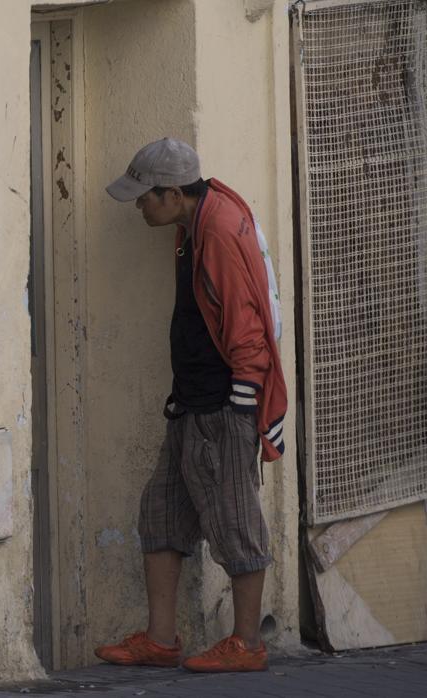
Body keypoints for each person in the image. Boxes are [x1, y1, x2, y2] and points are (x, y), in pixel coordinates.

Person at [94, 137, 287, 673]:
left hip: (222, 405)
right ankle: (160, 639)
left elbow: (248, 326)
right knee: (160, 510)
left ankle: (246, 644)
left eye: (143, 197)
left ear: (173, 193)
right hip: (191, 402)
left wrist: (241, 411)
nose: (138, 206)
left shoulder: (219, 232)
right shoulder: (198, 219)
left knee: (235, 517)